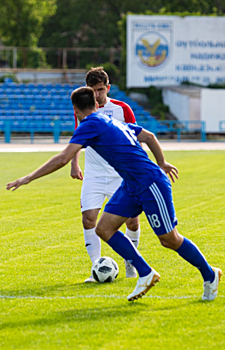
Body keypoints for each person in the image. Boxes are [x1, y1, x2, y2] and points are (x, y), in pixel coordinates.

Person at [6, 87, 222, 301]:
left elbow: (63, 158)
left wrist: (28, 178)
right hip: (131, 185)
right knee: (104, 228)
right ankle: (145, 273)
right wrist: (162, 161)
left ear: (75, 109)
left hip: (150, 182)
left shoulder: (89, 124)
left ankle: (210, 274)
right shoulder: (113, 122)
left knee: (169, 239)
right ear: (97, 104)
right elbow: (148, 135)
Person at [70, 67, 141, 282]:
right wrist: (74, 164)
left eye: (100, 89)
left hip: (120, 174)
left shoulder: (122, 109)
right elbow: (77, 139)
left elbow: (135, 139)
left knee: (132, 221)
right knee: (88, 218)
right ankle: (96, 268)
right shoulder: (83, 110)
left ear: (108, 88)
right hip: (94, 174)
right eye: (93, 90)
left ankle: (131, 262)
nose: (97, 95)